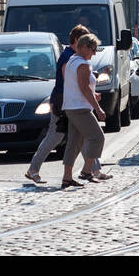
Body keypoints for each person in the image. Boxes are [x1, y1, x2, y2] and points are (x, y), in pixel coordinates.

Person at [26, 25, 91, 184]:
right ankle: (33, 169)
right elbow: (70, 81)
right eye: (84, 43)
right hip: (62, 102)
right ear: (76, 40)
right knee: (55, 136)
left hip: (67, 101)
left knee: (80, 135)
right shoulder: (68, 56)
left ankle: (93, 170)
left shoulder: (72, 55)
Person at [60, 34, 110, 189]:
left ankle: (67, 178)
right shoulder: (82, 64)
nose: (94, 54)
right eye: (93, 50)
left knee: (74, 144)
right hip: (80, 108)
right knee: (97, 137)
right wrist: (98, 108)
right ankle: (86, 171)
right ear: (84, 47)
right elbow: (84, 87)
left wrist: (93, 95)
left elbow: (77, 86)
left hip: (71, 106)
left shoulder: (72, 61)